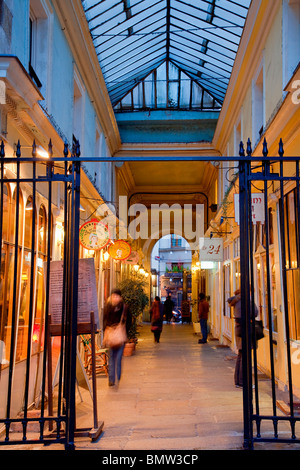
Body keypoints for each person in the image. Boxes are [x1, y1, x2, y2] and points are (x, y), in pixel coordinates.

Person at [227, 288, 258, 388]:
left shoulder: (236, 300)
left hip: (239, 328)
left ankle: (238, 381)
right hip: (245, 329)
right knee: (245, 356)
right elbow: (255, 312)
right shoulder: (245, 300)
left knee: (241, 355)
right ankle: (243, 382)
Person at [103, 288, 132, 387]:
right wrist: (106, 333)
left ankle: (118, 376)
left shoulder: (124, 308)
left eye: (117, 296)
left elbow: (129, 321)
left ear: (120, 297)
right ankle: (111, 380)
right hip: (111, 336)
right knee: (111, 358)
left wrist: (124, 331)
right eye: (113, 296)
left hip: (120, 337)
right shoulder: (108, 307)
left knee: (118, 358)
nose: (115, 298)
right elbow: (104, 321)